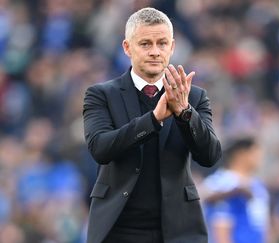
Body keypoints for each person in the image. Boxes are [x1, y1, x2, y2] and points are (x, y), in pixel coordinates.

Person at [83, 7, 222, 243]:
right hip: (118, 228)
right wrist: (153, 119)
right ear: (127, 47)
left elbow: (210, 156)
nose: (155, 52)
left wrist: (185, 112)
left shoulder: (194, 97)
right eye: (145, 44)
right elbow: (100, 148)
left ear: (172, 47)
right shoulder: (101, 94)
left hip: (179, 229)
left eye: (162, 43)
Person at [202, 137, 269, 243]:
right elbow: (221, 227)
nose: (260, 157)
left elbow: (262, 226)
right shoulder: (222, 182)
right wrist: (234, 192)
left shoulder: (258, 185)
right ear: (241, 154)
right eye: (255, 153)